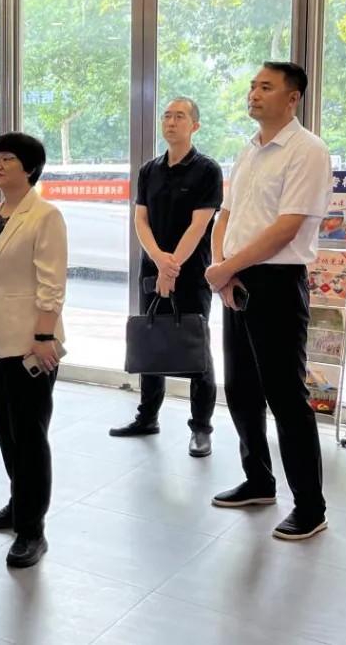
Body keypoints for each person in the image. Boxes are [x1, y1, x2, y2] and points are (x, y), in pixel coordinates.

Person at [206, 61, 332, 541]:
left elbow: (287, 227)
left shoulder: (308, 150)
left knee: (285, 396)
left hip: (277, 282)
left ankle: (311, 507)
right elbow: (226, 214)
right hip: (235, 278)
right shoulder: (250, 149)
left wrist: (227, 267)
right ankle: (259, 481)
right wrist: (221, 266)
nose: (254, 94)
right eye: (252, 86)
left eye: (266, 87)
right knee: (240, 388)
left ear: (292, 98)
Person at [0, 132, 67, 569]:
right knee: (6, 427)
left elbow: (51, 285)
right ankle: (18, 500)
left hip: (30, 342)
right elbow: (0, 264)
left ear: (30, 168)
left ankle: (32, 529)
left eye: (7, 158)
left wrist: (43, 337)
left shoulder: (45, 216)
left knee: (29, 434)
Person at [110, 98, 223, 457]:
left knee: (196, 347)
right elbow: (140, 220)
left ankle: (201, 429)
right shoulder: (149, 170)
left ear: (195, 126)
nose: (171, 122)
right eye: (167, 116)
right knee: (151, 341)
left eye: (180, 117)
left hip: (191, 273)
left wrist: (171, 267)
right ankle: (147, 417)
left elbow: (199, 225)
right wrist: (160, 262)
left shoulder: (207, 170)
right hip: (153, 269)